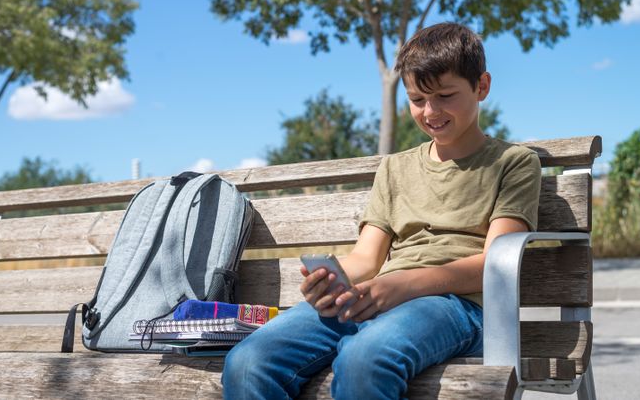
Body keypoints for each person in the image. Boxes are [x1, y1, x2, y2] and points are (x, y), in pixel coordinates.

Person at [222, 22, 542, 399]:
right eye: (417, 99)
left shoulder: (513, 162)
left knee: (365, 357)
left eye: (445, 95)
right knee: (248, 361)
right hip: (380, 298)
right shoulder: (396, 168)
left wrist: (402, 286)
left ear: (482, 86)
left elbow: (493, 265)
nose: (430, 111)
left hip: (459, 308)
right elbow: (366, 259)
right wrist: (332, 282)